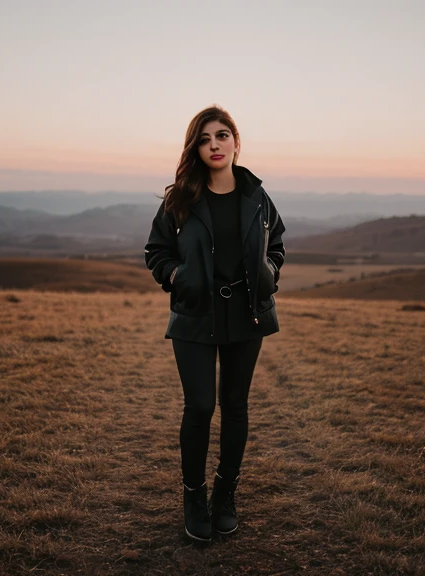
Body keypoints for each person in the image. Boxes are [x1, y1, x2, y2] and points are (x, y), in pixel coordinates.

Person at [144, 105, 286, 542]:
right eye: (205, 139)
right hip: (195, 317)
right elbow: (156, 252)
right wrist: (175, 276)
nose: (214, 145)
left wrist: (271, 272)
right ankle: (194, 495)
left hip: (247, 314)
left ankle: (225, 494)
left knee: (236, 406)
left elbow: (277, 244)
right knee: (201, 406)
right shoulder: (180, 199)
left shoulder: (256, 197)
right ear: (196, 148)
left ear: (236, 141)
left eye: (222, 135)